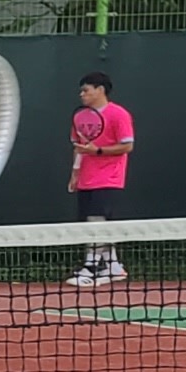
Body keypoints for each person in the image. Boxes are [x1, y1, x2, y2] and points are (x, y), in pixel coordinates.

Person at [65, 72, 134, 286]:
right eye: (81, 91)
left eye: (86, 90)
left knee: (96, 220)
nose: (82, 94)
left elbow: (127, 146)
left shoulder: (119, 114)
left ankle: (91, 266)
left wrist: (98, 151)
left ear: (100, 90)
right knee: (94, 222)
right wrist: (75, 174)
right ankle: (114, 266)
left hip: (109, 177)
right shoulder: (80, 117)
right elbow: (79, 148)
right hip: (86, 178)